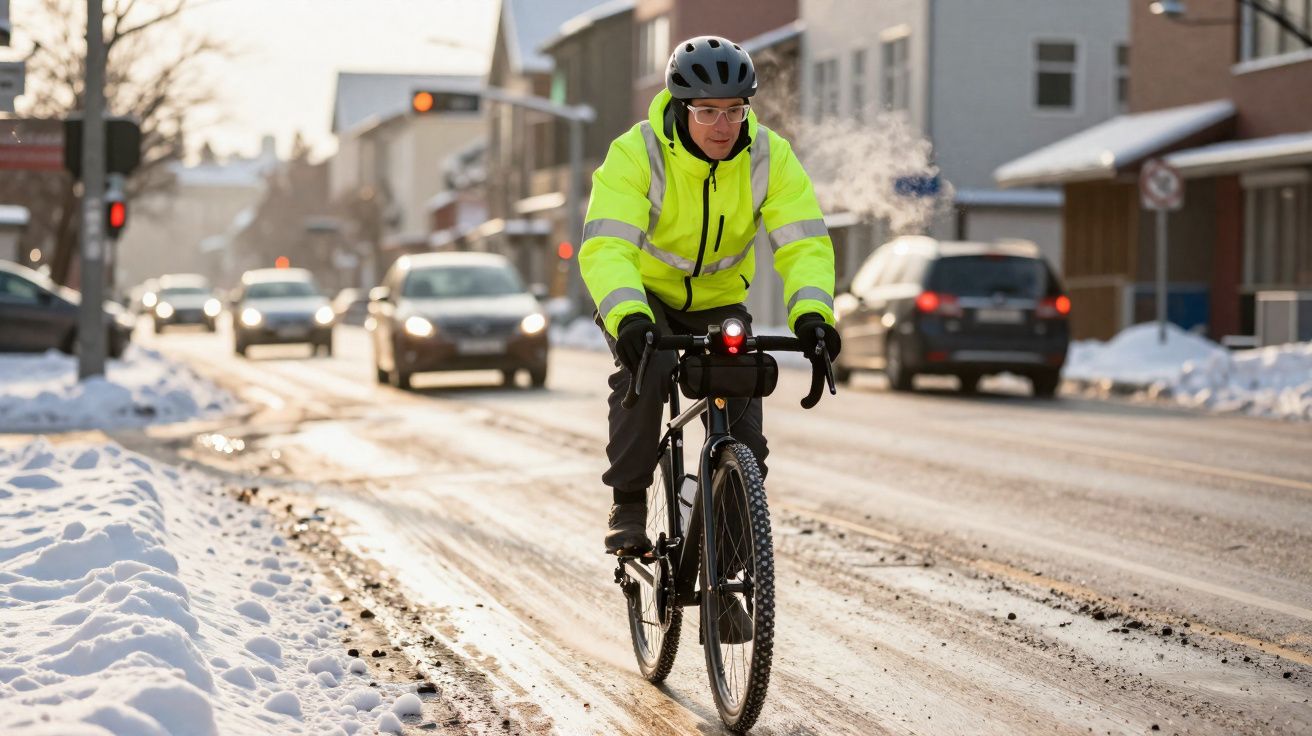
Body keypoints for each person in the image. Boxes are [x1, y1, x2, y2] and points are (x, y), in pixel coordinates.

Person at [579, 35, 841, 556]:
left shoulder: (769, 156)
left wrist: (813, 315)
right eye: (707, 112)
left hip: (720, 302)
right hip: (645, 298)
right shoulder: (638, 153)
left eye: (735, 110)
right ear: (681, 108)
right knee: (646, 372)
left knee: (745, 419)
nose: (723, 126)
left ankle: (734, 558)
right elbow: (608, 245)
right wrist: (628, 315)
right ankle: (628, 503)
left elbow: (804, 244)